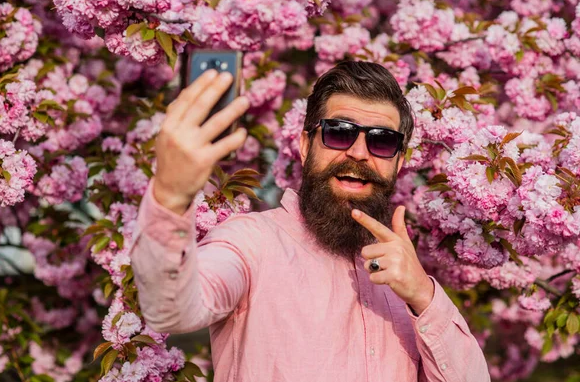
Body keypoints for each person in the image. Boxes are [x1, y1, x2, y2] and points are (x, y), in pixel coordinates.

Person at [130, 61, 491, 381]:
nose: (359, 153)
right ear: (306, 145)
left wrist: (423, 297)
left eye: (381, 142)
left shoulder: (404, 280)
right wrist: (171, 195)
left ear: (398, 161)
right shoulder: (250, 243)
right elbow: (171, 308)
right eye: (339, 132)